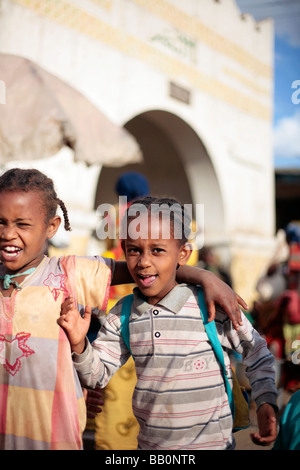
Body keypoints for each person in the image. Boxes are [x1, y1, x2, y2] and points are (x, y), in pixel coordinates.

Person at [0, 168, 246, 450]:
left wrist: (205, 277)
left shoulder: (68, 272)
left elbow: (142, 268)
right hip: (124, 327)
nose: (8, 233)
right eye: (1, 222)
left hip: (60, 424)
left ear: (52, 226)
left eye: (22, 224)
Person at [59, 196, 278, 450]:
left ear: (183, 254)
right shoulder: (123, 314)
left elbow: (256, 351)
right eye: (134, 250)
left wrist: (265, 401)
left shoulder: (207, 305)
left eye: (157, 250)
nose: (143, 262)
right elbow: (96, 376)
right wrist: (79, 343)